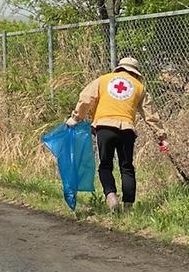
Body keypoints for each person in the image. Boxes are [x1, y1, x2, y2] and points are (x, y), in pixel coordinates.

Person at [66, 57, 168, 212]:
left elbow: (86, 98)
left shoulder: (103, 80)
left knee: (105, 165)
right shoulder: (139, 87)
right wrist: (161, 136)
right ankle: (128, 208)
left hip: (105, 127)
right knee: (126, 167)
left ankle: (111, 197)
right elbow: (150, 114)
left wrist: (75, 118)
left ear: (119, 68)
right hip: (127, 130)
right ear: (135, 73)